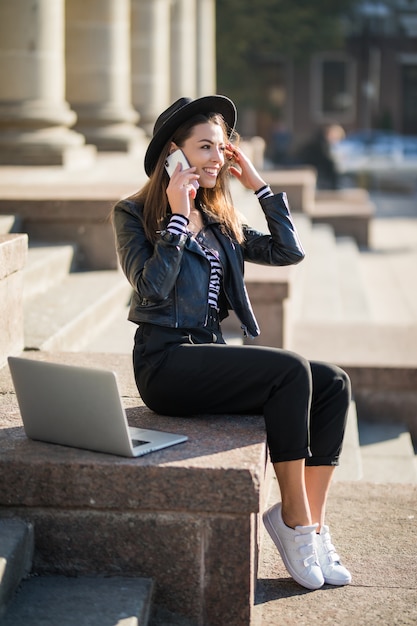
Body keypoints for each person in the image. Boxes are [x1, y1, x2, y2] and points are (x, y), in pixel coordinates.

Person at [112, 95, 352, 590]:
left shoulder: (220, 220)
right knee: (290, 370)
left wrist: (260, 186)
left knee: (333, 382)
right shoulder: (133, 213)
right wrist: (177, 219)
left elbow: (289, 251)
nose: (218, 158)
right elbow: (150, 288)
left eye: (222, 149)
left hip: (208, 355)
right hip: (165, 364)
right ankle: (296, 522)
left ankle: (313, 525)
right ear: (172, 155)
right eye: (205, 148)